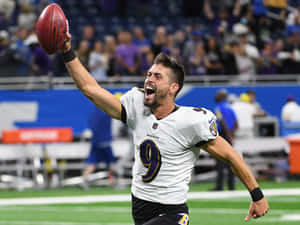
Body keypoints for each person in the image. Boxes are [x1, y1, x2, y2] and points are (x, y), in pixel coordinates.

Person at [59, 32, 269, 225]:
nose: (149, 79)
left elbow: (231, 155)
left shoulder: (191, 120)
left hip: (172, 212)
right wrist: (67, 51)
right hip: (139, 205)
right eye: (149, 74)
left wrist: (257, 195)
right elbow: (90, 89)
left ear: (173, 88)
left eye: (157, 76)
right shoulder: (136, 104)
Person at [82, 105, 117, 188]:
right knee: (111, 163)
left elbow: (91, 124)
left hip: (96, 141)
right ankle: (111, 181)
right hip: (105, 141)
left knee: (92, 163)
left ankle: (85, 180)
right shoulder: (107, 112)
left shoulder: (95, 112)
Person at [214, 89, 238, 191]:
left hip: (223, 135)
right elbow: (236, 123)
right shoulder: (230, 108)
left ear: (221, 97)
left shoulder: (218, 108)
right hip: (230, 135)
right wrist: (232, 135)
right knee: (230, 161)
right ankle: (231, 186)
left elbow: (222, 121)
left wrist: (228, 135)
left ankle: (219, 186)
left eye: (217, 95)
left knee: (219, 160)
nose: (215, 97)